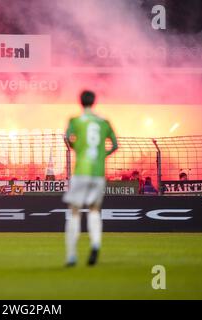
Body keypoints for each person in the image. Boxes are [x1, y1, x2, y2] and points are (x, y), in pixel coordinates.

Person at [62, 90, 118, 267]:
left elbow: (67, 138)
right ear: (94, 102)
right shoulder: (104, 122)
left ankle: (71, 255)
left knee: (75, 211)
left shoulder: (75, 120)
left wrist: (75, 147)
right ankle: (95, 244)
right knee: (94, 210)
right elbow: (115, 145)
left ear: (80, 102)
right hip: (98, 172)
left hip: (81, 171)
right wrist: (103, 156)